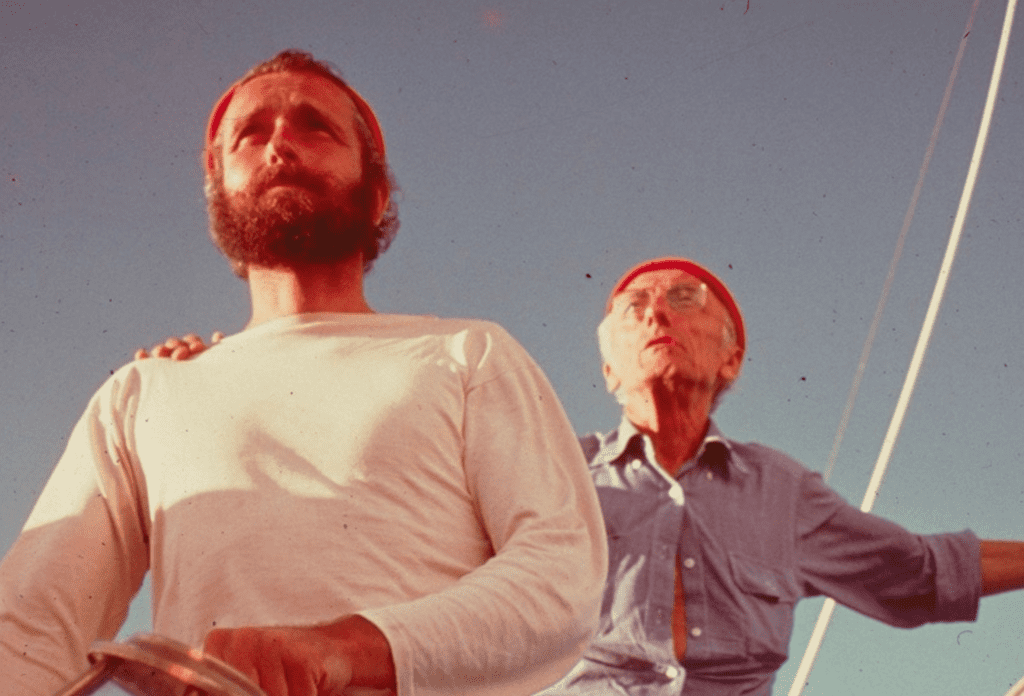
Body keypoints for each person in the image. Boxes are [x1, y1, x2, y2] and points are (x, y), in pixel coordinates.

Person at [0, 50, 607, 696]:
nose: (280, 145)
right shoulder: (143, 393)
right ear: (218, 192)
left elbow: (561, 571)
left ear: (376, 195)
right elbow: (31, 631)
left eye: (315, 127)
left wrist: (345, 648)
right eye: (251, 134)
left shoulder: (469, 353)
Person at [535, 256, 1024, 695]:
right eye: (633, 306)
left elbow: (917, 571)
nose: (656, 313)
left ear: (732, 359)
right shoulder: (551, 473)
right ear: (609, 371)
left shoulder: (780, 489)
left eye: (684, 299)